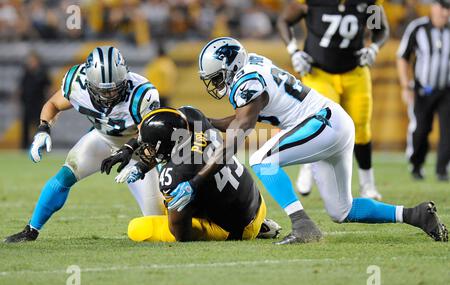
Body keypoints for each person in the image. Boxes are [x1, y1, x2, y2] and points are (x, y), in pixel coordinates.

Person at [167, 37, 448, 244]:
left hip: (322, 123)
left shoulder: (247, 82)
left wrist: (196, 181)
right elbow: (244, 118)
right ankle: (415, 215)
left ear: (231, 67)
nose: (215, 85)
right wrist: (209, 123)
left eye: (217, 78)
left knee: (261, 159)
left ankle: (302, 225)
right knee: (342, 210)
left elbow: (240, 131)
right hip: (329, 124)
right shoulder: (251, 71)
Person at [4, 46, 164, 243]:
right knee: (65, 175)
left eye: (114, 89)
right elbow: (53, 105)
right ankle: (31, 230)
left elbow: (149, 133)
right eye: (102, 90)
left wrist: (129, 150)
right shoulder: (76, 82)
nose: (109, 96)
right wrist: (43, 128)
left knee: (156, 219)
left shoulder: (142, 93)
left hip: (138, 149)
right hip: (102, 139)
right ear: (89, 82)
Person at [104, 107, 281, 242]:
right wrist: (134, 155)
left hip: (238, 228)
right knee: (188, 197)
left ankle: (255, 230)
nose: (145, 151)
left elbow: (181, 234)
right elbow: (170, 124)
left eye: (149, 147)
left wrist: (176, 207)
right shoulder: (194, 118)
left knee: (137, 228)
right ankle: (262, 223)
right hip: (255, 201)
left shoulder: (175, 174)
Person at [277, 0, 390, 199]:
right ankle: (307, 166)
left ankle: (367, 184)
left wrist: (373, 48)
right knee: (320, 125)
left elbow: (379, 29)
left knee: (361, 128)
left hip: (355, 71)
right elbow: (284, 20)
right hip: (319, 71)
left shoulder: (367, 3)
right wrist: (293, 50)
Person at [397, 0, 450, 181]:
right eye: (443, 8)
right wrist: (406, 86)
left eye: (448, 9)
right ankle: (417, 165)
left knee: (448, 131)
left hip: (446, 90)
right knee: (421, 129)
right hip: (423, 89)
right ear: (434, 7)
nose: (446, 13)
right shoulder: (418, 28)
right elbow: (403, 57)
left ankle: (442, 170)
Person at [19, 51, 50, 149]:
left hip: (39, 105)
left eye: (33, 61)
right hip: (27, 104)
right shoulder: (26, 73)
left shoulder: (42, 73)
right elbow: (22, 88)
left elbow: (48, 88)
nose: (31, 63)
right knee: (25, 127)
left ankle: (43, 146)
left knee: (40, 126)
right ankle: (24, 147)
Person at [144, 43, 177, 107]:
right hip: (166, 93)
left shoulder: (155, 63)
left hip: (156, 93)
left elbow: (148, 76)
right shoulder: (169, 63)